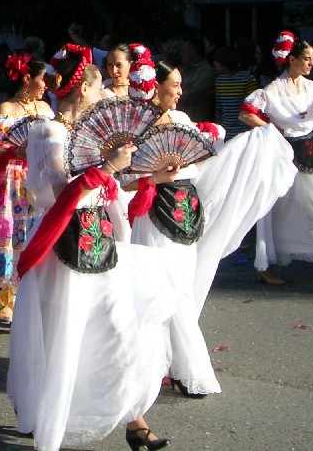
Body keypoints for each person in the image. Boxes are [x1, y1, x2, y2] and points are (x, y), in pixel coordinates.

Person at [8, 44, 176, 451]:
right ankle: (52, 421)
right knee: (64, 337)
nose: (104, 96)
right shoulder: (49, 132)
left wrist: (150, 176)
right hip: (64, 246)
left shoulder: (89, 133)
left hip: (98, 240)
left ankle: (134, 421)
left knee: (119, 329)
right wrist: (108, 167)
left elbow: (106, 190)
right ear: (83, 89)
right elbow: (62, 195)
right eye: (99, 87)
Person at [125, 54, 295, 400]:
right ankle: (175, 368)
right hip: (154, 213)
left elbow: (201, 158)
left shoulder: (183, 119)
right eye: (174, 86)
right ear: (155, 89)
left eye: (179, 85)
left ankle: (171, 365)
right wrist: (156, 176)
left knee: (184, 286)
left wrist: (219, 145)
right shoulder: (133, 127)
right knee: (162, 287)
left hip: (186, 210)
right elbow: (122, 179)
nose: (180, 91)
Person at [240, 31, 313, 289]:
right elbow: (247, 113)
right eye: (307, 59)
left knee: (309, 210)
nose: (312, 64)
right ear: (292, 60)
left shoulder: (311, 87)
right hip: (285, 157)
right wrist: (273, 130)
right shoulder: (273, 90)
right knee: (275, 208)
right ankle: (270, 265)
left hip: (308, 155)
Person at [0, 52, 53, 322]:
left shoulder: (46, 109)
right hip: (12, 182)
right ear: (28, 78)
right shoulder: (5, 110)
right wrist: (19, 150)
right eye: (43, 80)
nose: (47, 86)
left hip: (39, 179)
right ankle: (6, 301)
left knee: (35, 235)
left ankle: (36, 297)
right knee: (10, 238)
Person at [213, 45, 259, 140]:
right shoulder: (219, 80)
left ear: (225, 61)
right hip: (225, 132)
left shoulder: (247, 78)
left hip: (245, 133)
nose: (214, 64)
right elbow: (219, 107)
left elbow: (253, 107)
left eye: (217, 61)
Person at [177, 32, 216, 122]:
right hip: (179, 122)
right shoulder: (181, 69)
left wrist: (174, 93)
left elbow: (191, 95)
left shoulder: (208, 72)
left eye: (184, 51)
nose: (181, 54)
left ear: (194, 51)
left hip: (197, 122)